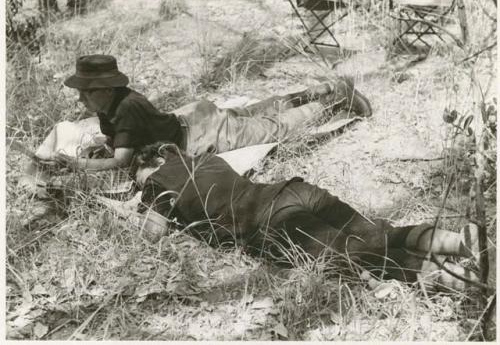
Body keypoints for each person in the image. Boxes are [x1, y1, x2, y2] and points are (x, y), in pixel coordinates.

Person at [135, 142, 482, 291]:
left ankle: (460, 281)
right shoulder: (206, 159)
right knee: (376, 233)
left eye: (137, 177)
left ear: (151, 164)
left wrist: (144, 200)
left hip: (271, 220)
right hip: (295, 190)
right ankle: (460, 243)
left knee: (360, 251)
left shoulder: (158, 181)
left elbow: (152, 234)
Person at [53, 54, 372, 171]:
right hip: (194, 117)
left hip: (201, 134)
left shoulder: (124, 109)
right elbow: (118, 142)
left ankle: (334, 100)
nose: (80, 98)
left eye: (85, 91)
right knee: (256, 111)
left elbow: (121, 161)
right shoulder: (114, 103)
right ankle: (320, 90)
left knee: (274, 128)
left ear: (106, 89)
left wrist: (78, 164)